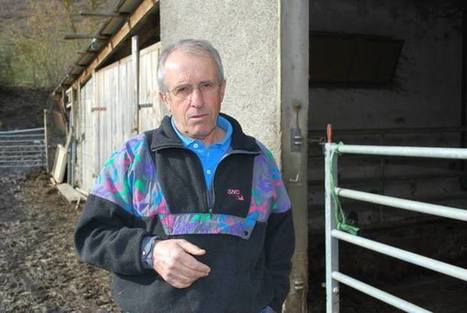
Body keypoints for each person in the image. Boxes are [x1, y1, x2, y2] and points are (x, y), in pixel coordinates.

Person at [74, 39, 295, 313]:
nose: (197, 101)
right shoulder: (134, 158)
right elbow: (91, 236)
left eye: (206, 86)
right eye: (182, 90)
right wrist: (150, 252)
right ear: (165, 99)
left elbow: (281, 242)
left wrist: (271, 303)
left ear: (222, 89)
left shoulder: (257, 159)